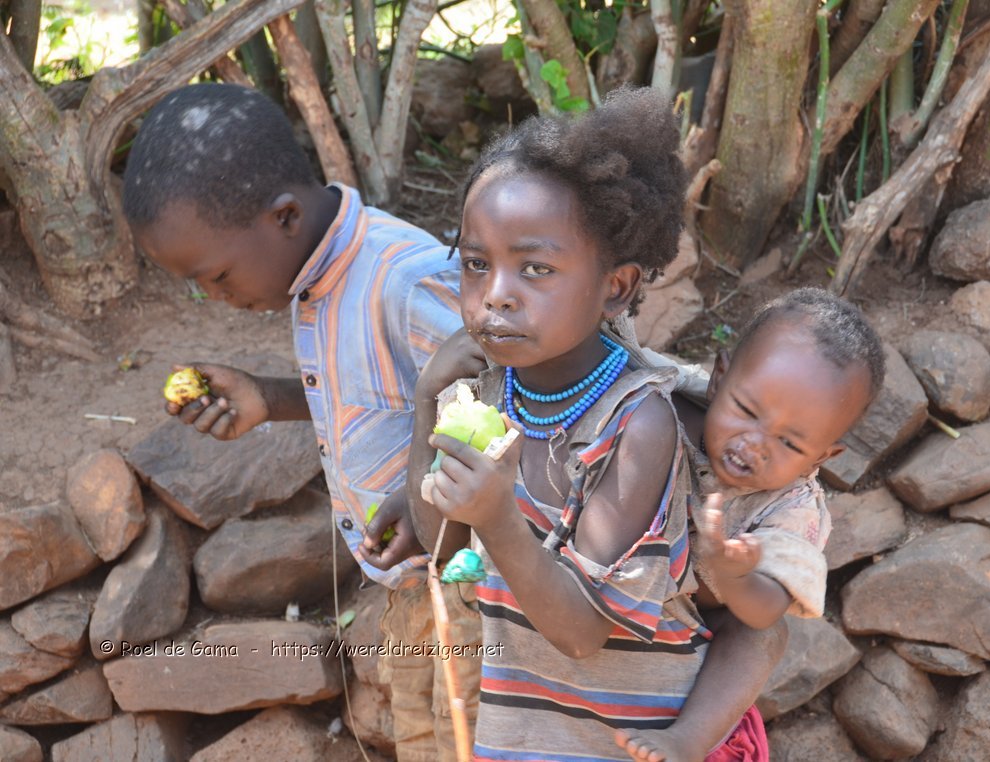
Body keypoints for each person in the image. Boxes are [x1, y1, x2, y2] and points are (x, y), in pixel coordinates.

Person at [408, 86, 786, 762]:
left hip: (632, 743)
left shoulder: (637, 423)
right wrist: (426, 403)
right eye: (476, 264)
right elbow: (442, 546)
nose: (496, 294)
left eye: (535, 268)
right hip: (524, 737)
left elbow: (583, 630)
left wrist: (497, 516)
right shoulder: (485, 393)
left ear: (616, 287)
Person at [120, 82, 482, 762]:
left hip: (476, 597)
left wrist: (426, 501)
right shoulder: (313, 279)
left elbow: (500, 407)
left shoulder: (403, 280)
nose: (213, 297)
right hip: (415, 594)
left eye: (217, 276)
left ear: (284, 216)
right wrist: (268, 398)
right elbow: (379, 395)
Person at [616, 287, 886, 761]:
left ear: (821, 457)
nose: (755, 444)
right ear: (720, 378)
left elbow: (765, 609)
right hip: (612, 577)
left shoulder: (794, 507)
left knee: (764, 635)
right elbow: (601, 355)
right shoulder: (667, 393)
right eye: (746, 411)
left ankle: (686, 739)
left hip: (696, 620)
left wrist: (734, 575)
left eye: (790, 443)